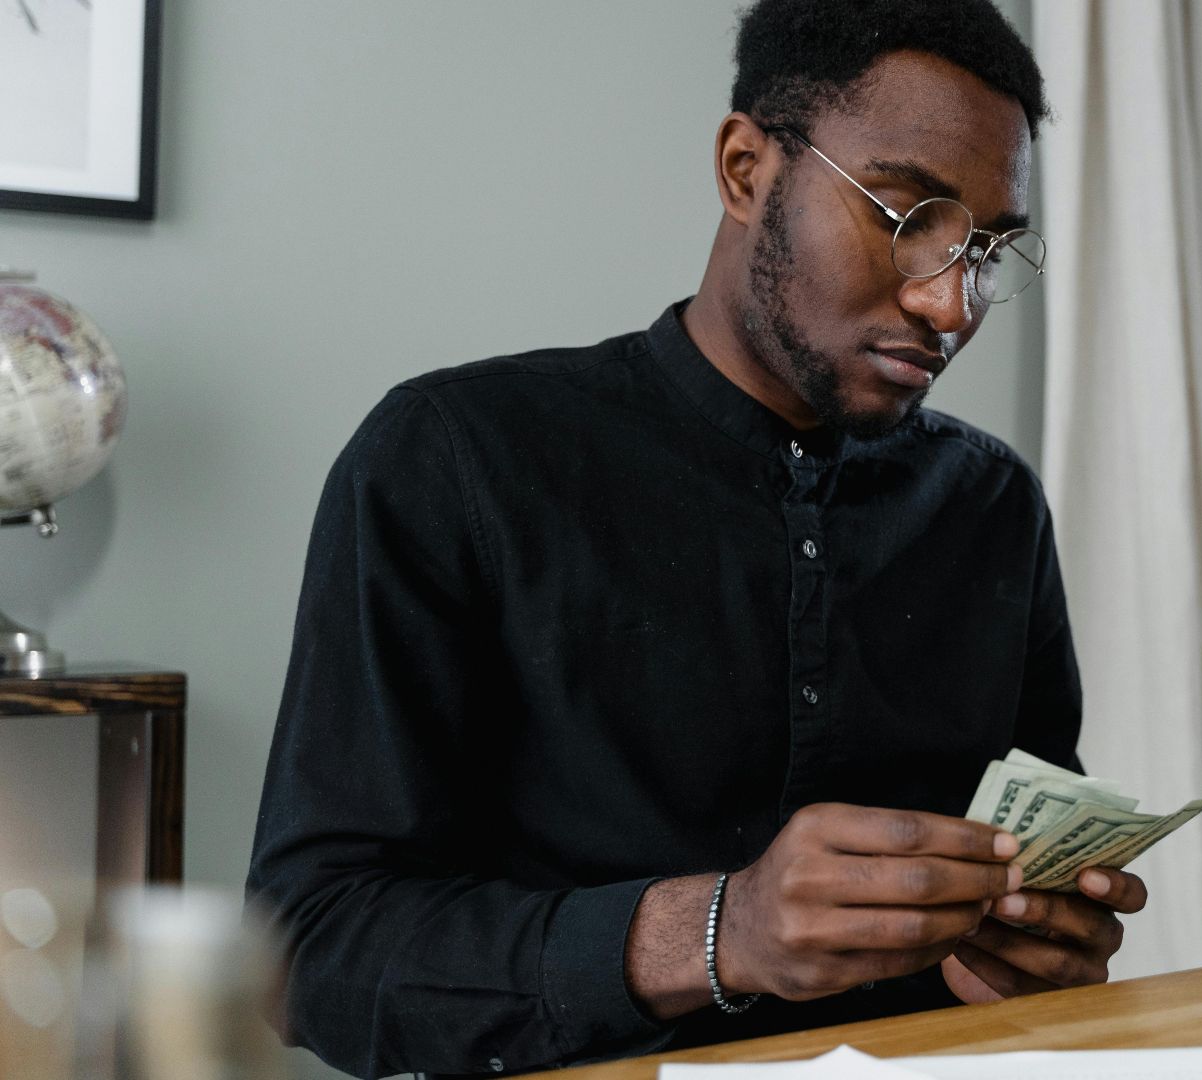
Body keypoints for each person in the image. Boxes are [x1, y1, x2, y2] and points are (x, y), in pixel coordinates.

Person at [245, 2, 1154, 1077]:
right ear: (744, 170)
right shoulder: (451, 460)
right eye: (910, 217)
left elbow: (1030, 899)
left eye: (988, 250)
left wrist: (1037, 944)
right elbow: (307, 954)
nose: (950, 303)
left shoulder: (993, 507)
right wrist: (717, 931)